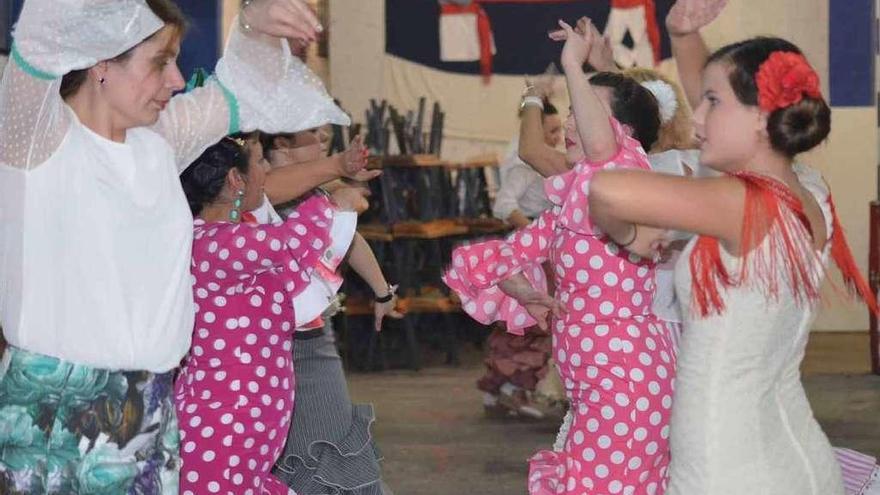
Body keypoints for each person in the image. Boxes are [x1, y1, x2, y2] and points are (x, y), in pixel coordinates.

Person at [0, 0, 344, 492]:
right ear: (101, 62)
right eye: (160, 62)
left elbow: (240, 89)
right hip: (61, 410)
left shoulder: (159, 142)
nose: (178, 80)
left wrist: (255, 26)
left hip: (155, 400)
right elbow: (40, 32)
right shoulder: (35, 137)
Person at [587, 25, 877, 495]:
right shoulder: (807, 194)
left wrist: (631, 236)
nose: (697, 118)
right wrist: (683, 35)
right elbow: (723, 99)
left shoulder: (742, 203)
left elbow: (604, 189)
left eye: (712, 103)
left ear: (762, 117)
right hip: (793, 454)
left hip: (730, 466)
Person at [445, 18, 675, 494]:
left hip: (626, 376)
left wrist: (572, 62)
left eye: (581, 110)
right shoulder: (572, 197)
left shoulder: (625, 175)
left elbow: (601, 145)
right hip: (592, 378)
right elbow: (497, 261)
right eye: (571, 110)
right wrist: (527, 291)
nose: (570, 122)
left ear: (625, 133)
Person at [258, 129, 397, 495]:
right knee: (322, 452)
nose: (324, 135)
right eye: (313, 129)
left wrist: (382, 291)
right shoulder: (264, 190)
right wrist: (337, 178)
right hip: (287, 344)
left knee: (314, 451)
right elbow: (269, 191)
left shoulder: (311, 187)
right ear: (281, 143)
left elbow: (346, 236)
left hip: (309, 337)